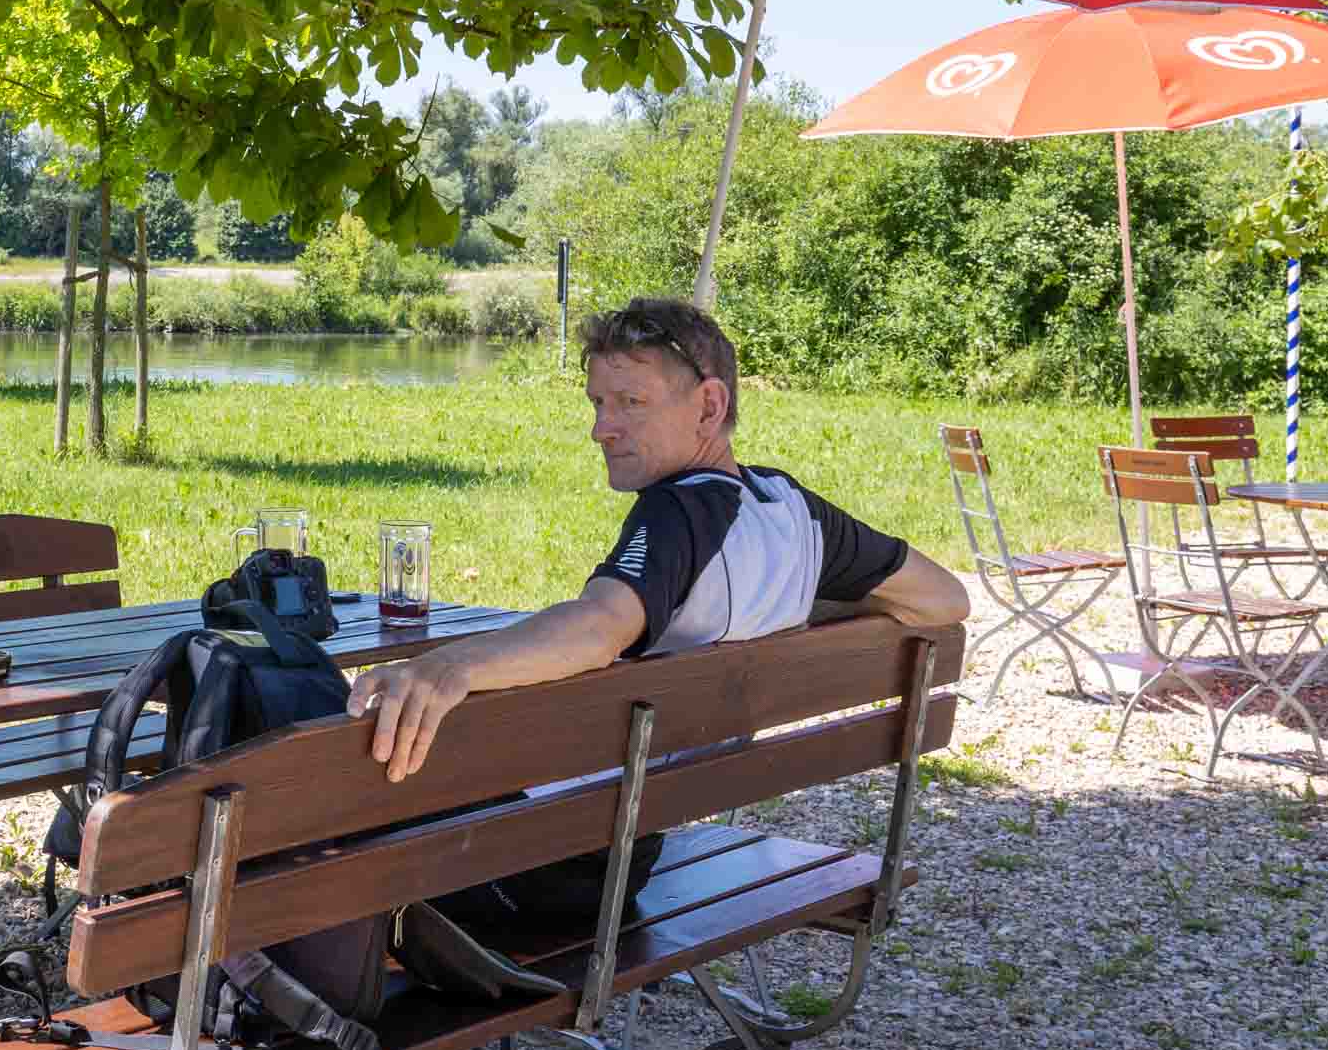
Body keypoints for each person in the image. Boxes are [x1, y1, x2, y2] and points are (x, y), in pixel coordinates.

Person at [346, 295, 970, 787]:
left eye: (630, 403)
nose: (600, 428)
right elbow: (943, 598)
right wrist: (802, 606)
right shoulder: (792, 510)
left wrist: (451, 665)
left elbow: (598, 629)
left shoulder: (681, 510)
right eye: (597, 403)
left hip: (574, 850)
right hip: (653, 810)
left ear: (708, 406)